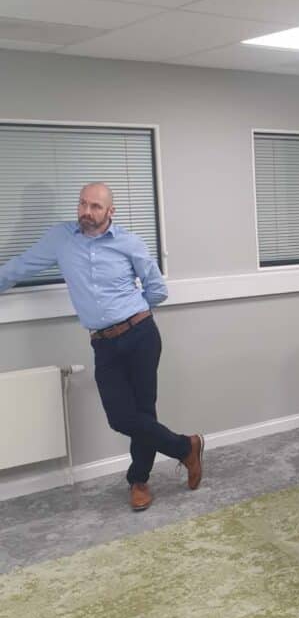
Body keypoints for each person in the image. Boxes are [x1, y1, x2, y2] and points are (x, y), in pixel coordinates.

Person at [0, 182, 204, 512]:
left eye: (95, 206)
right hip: (103, 344)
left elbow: (157, 289)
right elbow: (18, 267)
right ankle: (186, 447)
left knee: (144, 412)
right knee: (121, 417)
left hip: (141, 336)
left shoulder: (129, 242)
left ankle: (139, 481)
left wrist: (133, 313)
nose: (86, 211)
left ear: (111, 211)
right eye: (82, 204)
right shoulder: (60, 239)